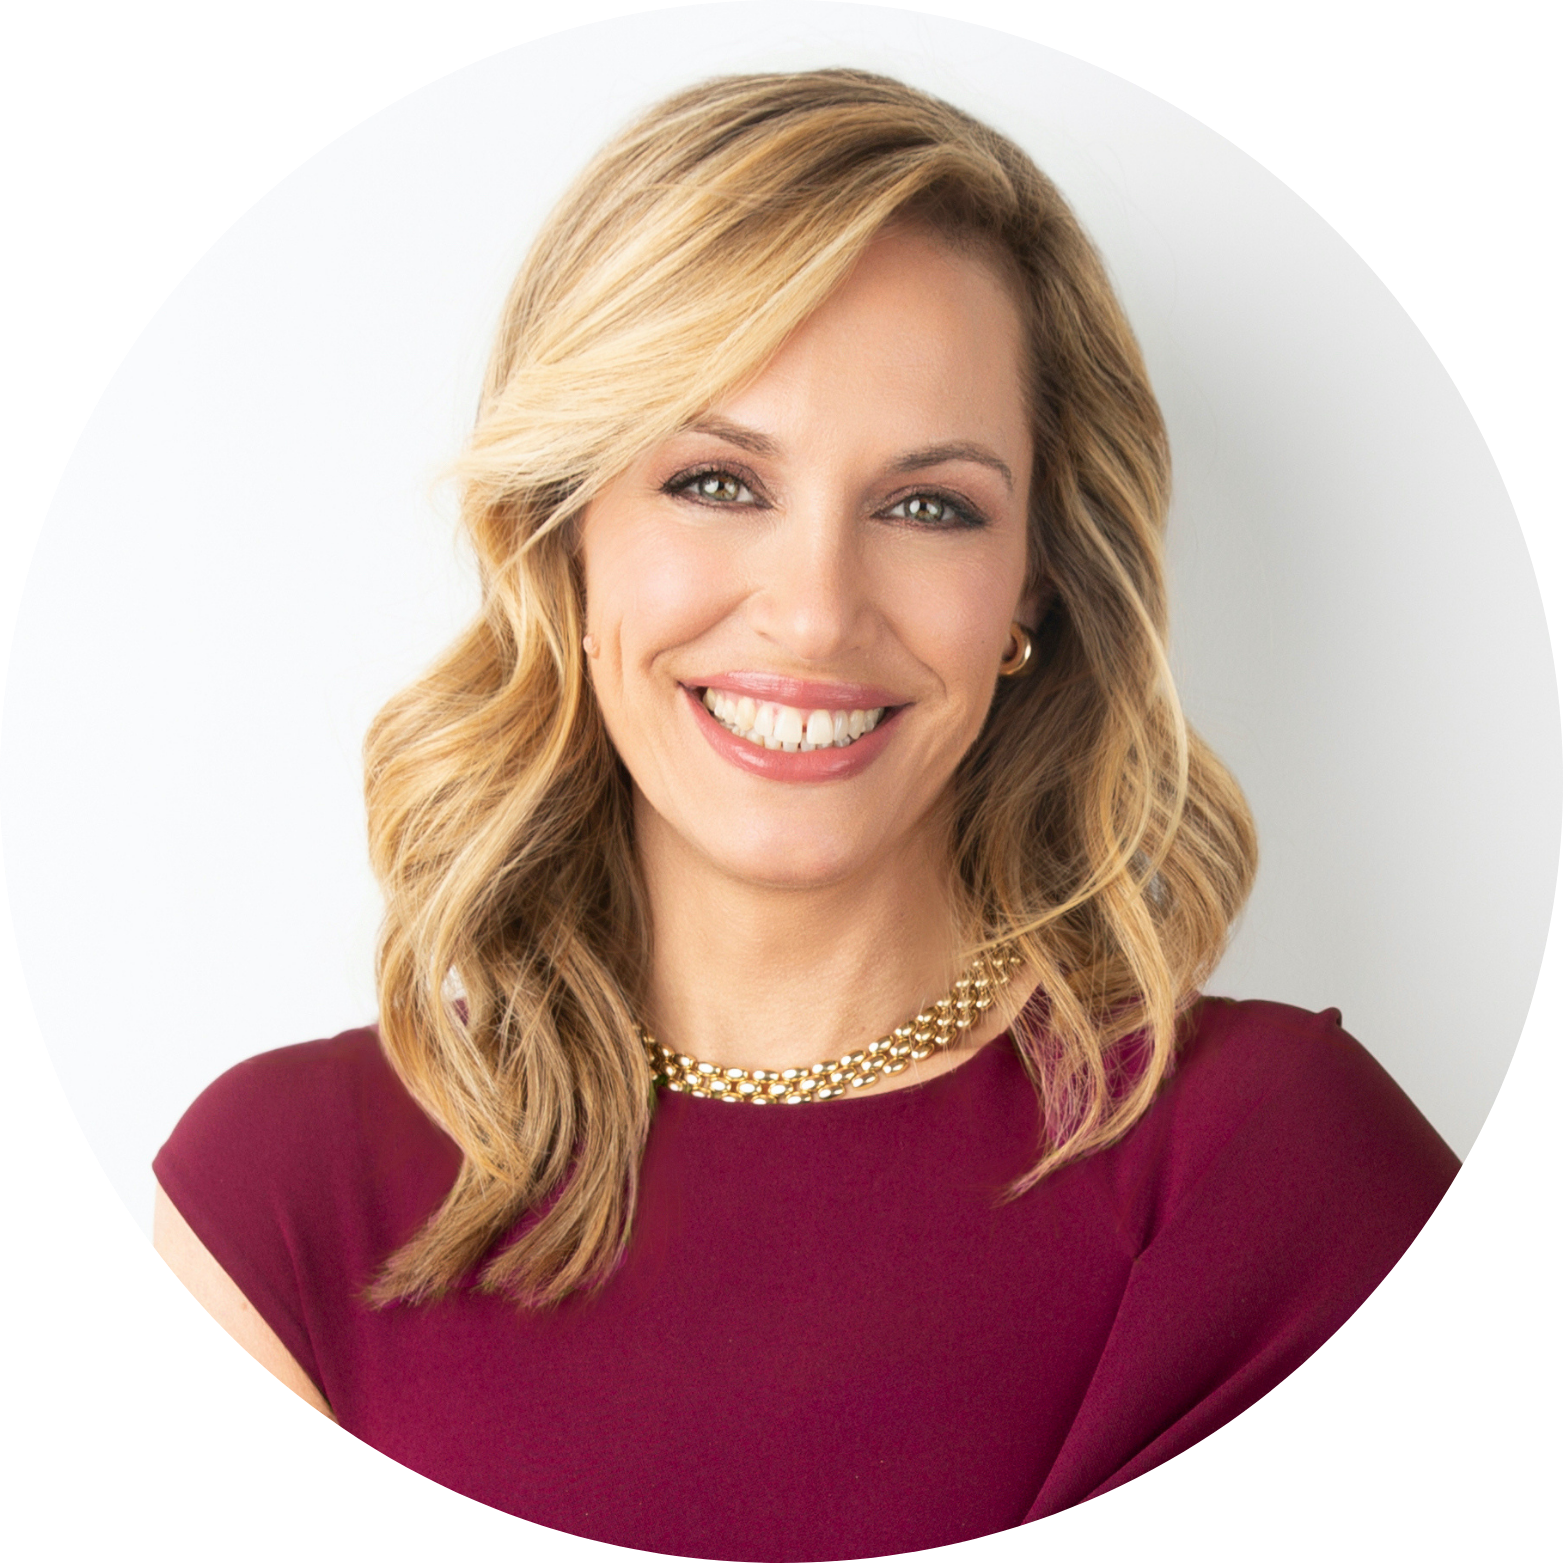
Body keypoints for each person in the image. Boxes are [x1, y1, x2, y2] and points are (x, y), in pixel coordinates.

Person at [152, 69, 1458, 1554]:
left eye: (927, 505)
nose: (816, 612)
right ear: (565, 537)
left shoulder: (1275, 1174)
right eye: (717, 481)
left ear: (1032, 588)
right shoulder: (286, 1197)